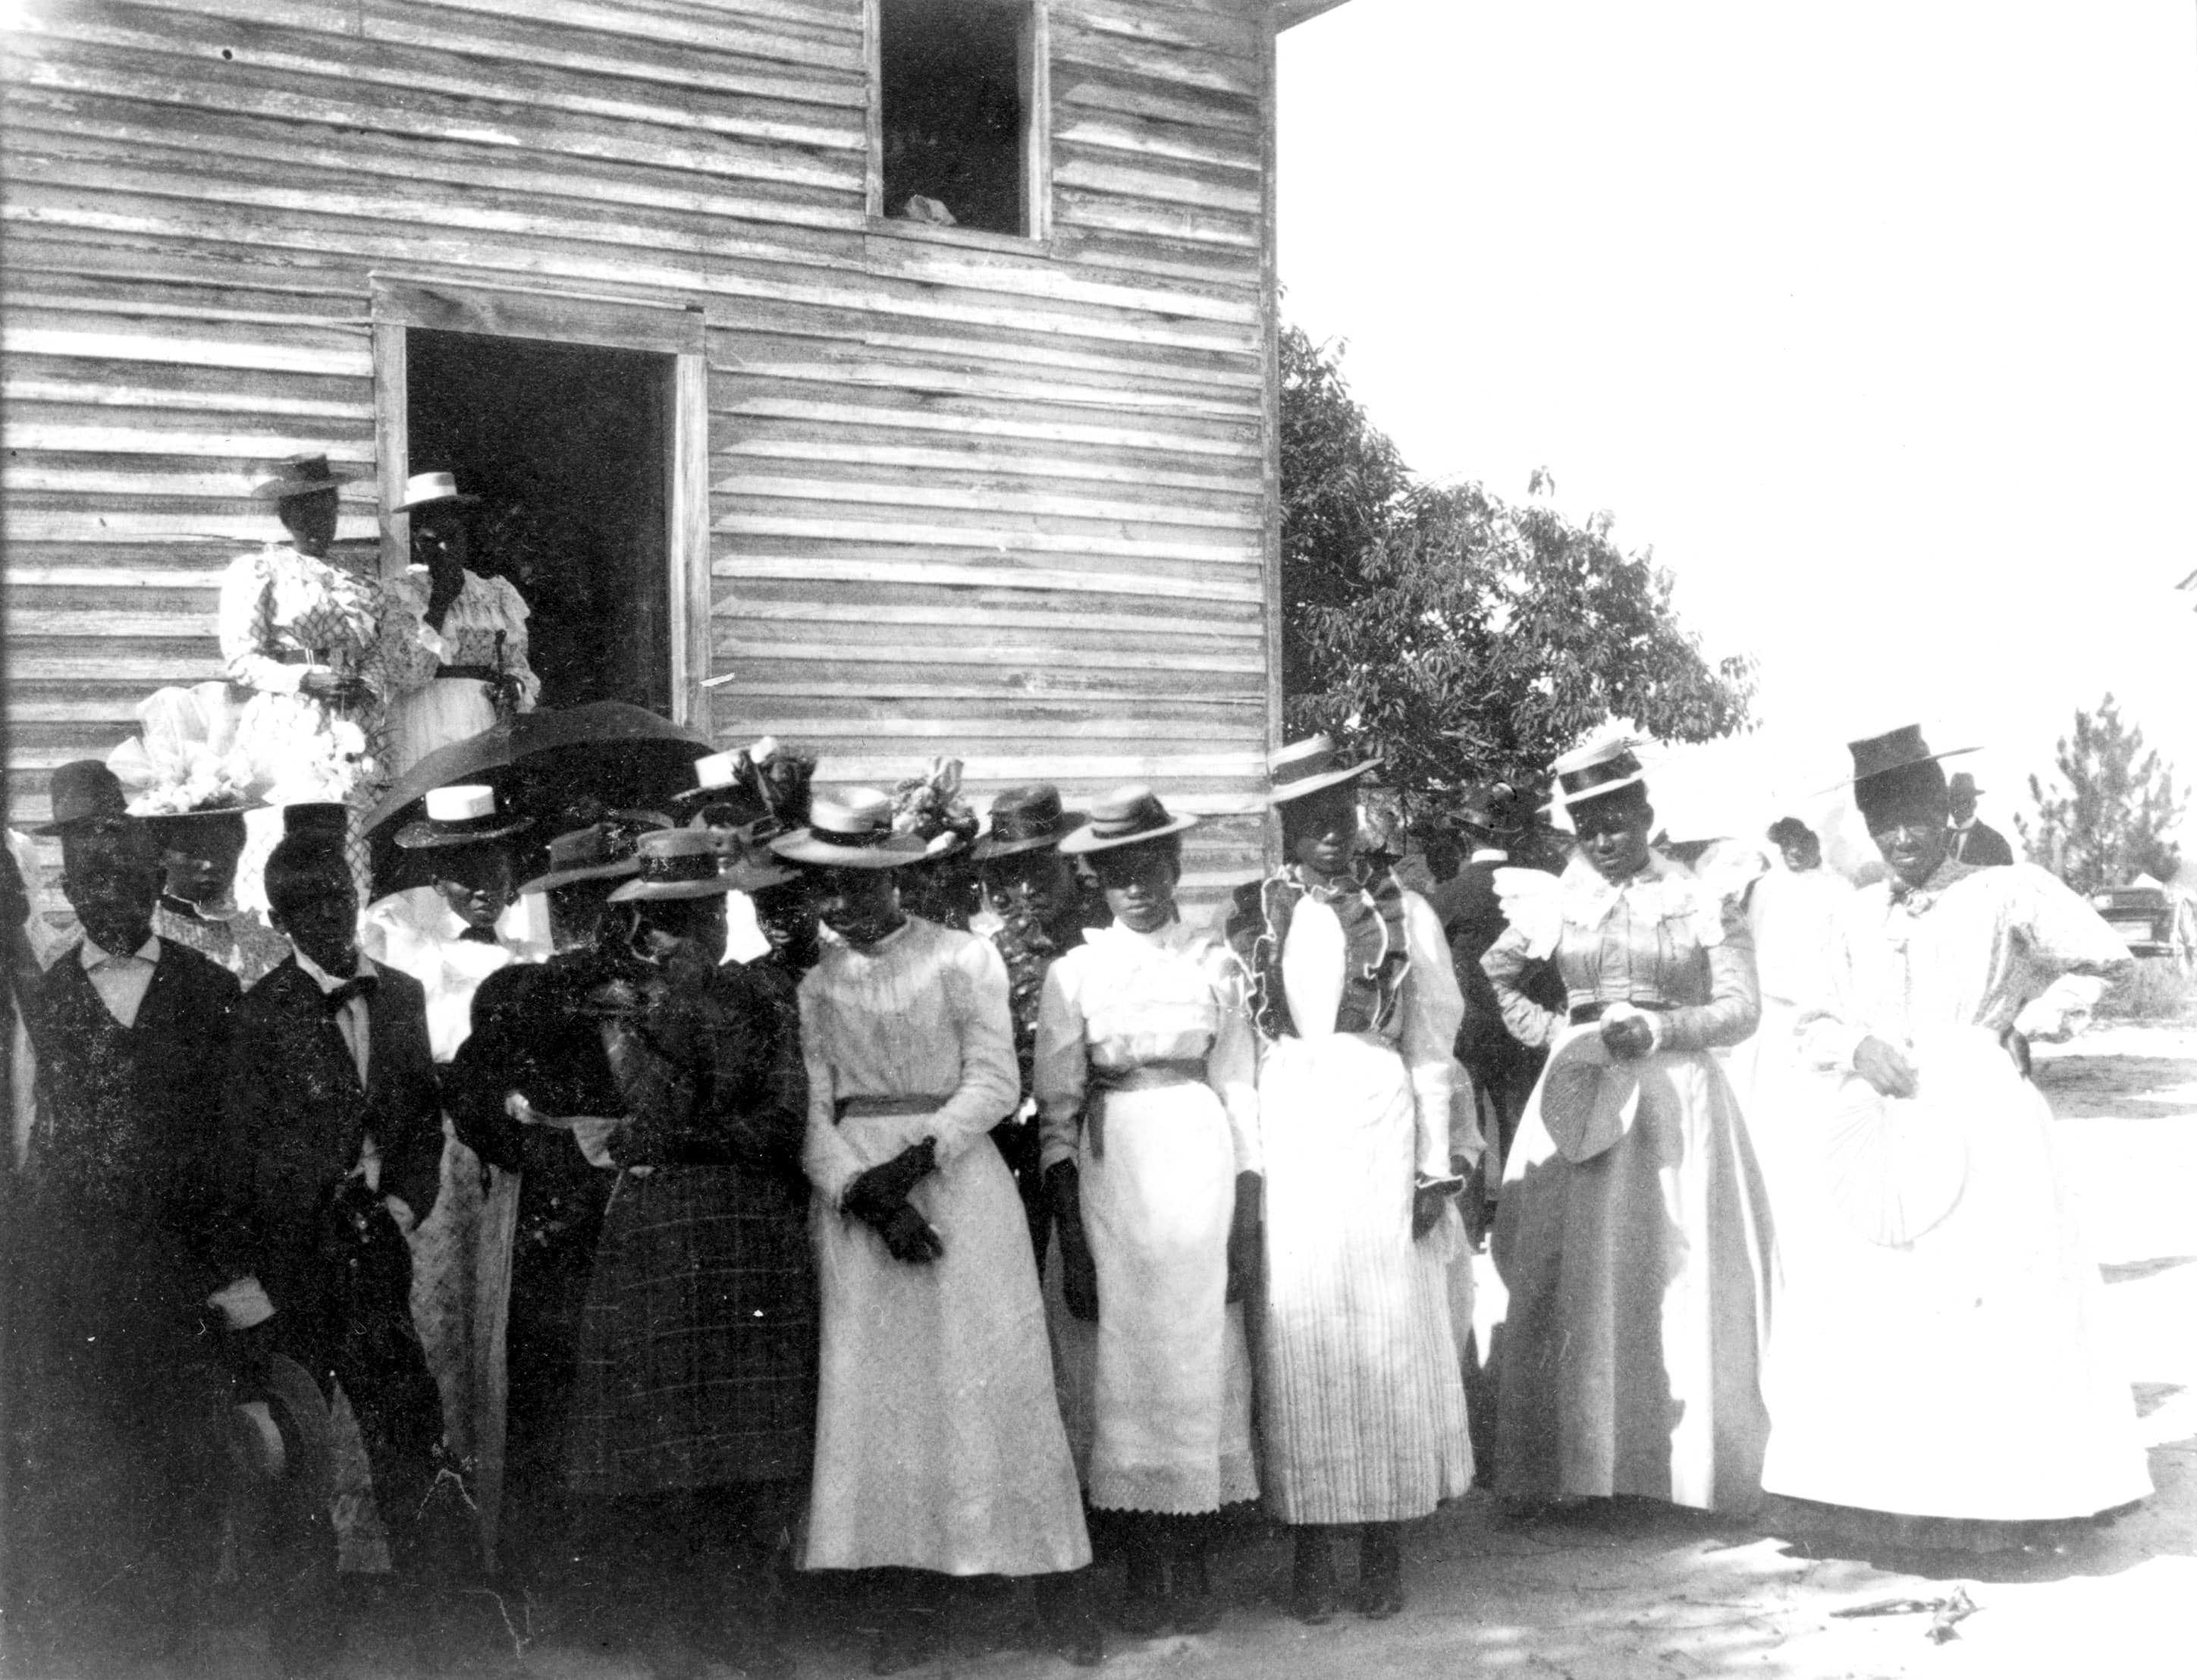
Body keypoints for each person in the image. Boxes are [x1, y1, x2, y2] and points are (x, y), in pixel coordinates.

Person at [1759, 726, 2150, 1547]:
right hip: (1880, 1112)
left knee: (1985, 1291)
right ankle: (1880, 1492)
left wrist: (2029, 1021)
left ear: (1945, 812)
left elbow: (2106, 961)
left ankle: (1999, 1503)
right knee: (1880, 1295)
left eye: (1913, 817)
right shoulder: (1852, 911)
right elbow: (1807, 1015)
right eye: (1881, 822)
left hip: (1977, 1106)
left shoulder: (2006, 890)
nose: (1899, 838)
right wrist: (1853, 1046)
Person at [774, 792, 1100, 1675]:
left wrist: (915, 1163)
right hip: (860, 1208)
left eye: (864, 882)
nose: (844, 902)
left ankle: (1045, 1578)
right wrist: (861, 1192)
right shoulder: (814, 984)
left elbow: (996, 1082)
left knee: (990, 1379)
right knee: (880, 1396)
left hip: (956, 1183)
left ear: (902, 875)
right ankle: (901, 1595)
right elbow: (808, 1111)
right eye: (826, 886)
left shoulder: (964, 958)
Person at [1481, 740, 1772, 1517]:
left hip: (1675, 1102)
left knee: (1669, 1272)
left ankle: (1676, 1474)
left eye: (1615, 820)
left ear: (1646, 815)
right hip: (1580, 1096)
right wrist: (1553, 1037)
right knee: (1575, 1274)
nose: (1603, 838)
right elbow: (1495, 972)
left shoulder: (1700, 895)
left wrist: (1663, 1030)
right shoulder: (1555, 900)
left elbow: (1741, 1009)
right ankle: (1576, 1469)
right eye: (1587, 824)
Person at [559, 829, 819, 1678]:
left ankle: (748, 1628)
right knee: (666, 1435)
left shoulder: (763, 998)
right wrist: (682, 1111)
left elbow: (779, 1125)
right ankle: (678, 1632)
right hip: (661, 1235)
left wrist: (680, 1136)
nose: (672, 937)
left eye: (691, 917)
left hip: (747, 1232)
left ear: (719, 916)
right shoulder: (620, 1010)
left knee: (751, 1435)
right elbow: (648, 1113)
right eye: (657, 923)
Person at [1223, 735, 1472, 1624]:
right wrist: (1249, 1171)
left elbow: (1432, 1045)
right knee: (1301, 1333)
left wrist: (1431, 1165)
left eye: (1339, 815)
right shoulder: (1255, 913)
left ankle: (1383, 1544)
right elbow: (1241, 1054)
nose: (1327, 835)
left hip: (1377, 1121)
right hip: (1292, 1126)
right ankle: (1308, 1550)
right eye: (1307, 820)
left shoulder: (1404, 912)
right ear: (1285, 826)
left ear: (1358, 814)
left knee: (1385, 1326)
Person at [3, 762, 239, 1673]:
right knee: (96, 1463)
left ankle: (177, 1638)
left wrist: (230, 1268)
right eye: (90, 882)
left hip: (182, 1274)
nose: (112, 896)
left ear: (155, 885)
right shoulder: (46, 1001)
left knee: (185, 1458)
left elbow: (235, 1144)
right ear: (67, 890)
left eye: (129, 879)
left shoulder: (211, 995)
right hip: (81, 1281)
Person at [212, 824, 450, 1669]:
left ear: (355, 900)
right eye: (304, 909)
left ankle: (441, 1639)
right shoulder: (257, 1014)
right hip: (295, 1271)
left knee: (408, 1445)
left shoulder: (402, 995)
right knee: (301, 1458)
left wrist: (399, 1208)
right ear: (278, 920)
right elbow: (236, 1156)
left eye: (338, 901)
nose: (328, 921)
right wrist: (250, 1282)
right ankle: (305, 1652)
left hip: (374, 1260)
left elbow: (422, 1122)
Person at [1036, 787, 1260, 1634]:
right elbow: (1056, 1113)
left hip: (1198, 1164)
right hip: (1113, 1174)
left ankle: (1192, 1553)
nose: (1135, 887)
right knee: (1119, 1366)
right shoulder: (1076, 972)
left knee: (1196, 1356)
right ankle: (1140, 1562)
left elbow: (1238, 1087)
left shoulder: (1213, 962)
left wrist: (1245, 1218)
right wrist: (1074, 1239)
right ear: (1099, 882)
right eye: (1117, 873)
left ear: (1175, 869)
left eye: (1149, 869)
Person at [443, 820, 655, 1585]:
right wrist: (528, 1145)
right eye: (577, 904)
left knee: (635, 1380)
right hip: (554, 1213)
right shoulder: (520, 990)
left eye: (614, 902)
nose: (597, 920)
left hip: (640, 1205)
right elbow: (469, 1091)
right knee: (548, 1378)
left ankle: (636, 1566)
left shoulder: (660, 994)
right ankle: (548, 1566)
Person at [974, 782, 1106, 1267]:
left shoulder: (1105, 940)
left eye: (1042, 874)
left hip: (1109, 1135)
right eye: (1013, 878)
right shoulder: (995, 959)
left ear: (1070, 866)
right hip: (1027, 1148)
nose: (1027, 891)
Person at [221, 454, 385, 821]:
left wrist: (366, 684)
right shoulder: (261, 571)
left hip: (352, 713)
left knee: (357, 821)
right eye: (306, 511)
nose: (319, 521)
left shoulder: (356, 582)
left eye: (328, 509)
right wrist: (305, 680)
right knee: (300, 821)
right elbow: (241, 659)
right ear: (286, 517)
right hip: (291, 716)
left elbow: (375, 650)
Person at [381, 471, 540, 778]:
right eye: (431, 540)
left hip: (481, 717)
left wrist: (514, 686)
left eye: (451, 537)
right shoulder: (400, 593)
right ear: (416, 544)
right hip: (423, 716)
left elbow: (518, 666)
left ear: (465, 537)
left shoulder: (494, 593)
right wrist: (438, 604)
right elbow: (407, 675)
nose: (442, 549)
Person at [1944, 770, 2015, 868]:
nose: (1958, 806)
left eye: (1965, 801)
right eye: (1954, 800)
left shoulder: (1994, 841)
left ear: (1974, 804)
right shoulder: (1942, 839)